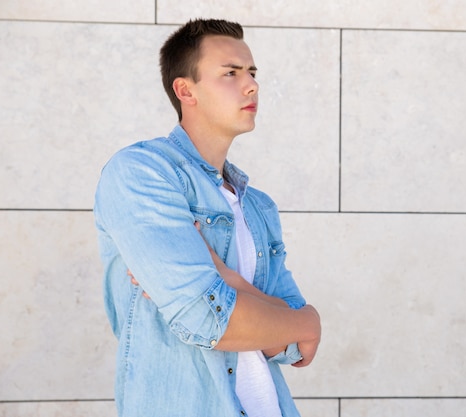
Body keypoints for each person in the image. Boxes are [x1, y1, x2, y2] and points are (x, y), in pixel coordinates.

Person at [93, 18, 321, 417]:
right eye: (230, 73)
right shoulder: (141, 173)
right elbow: (207, 320)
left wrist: (224, 278)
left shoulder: (257, 206)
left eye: (251, 73)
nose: (251, 85)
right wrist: (302, 321)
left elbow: (293, 348)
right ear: (185, 90)